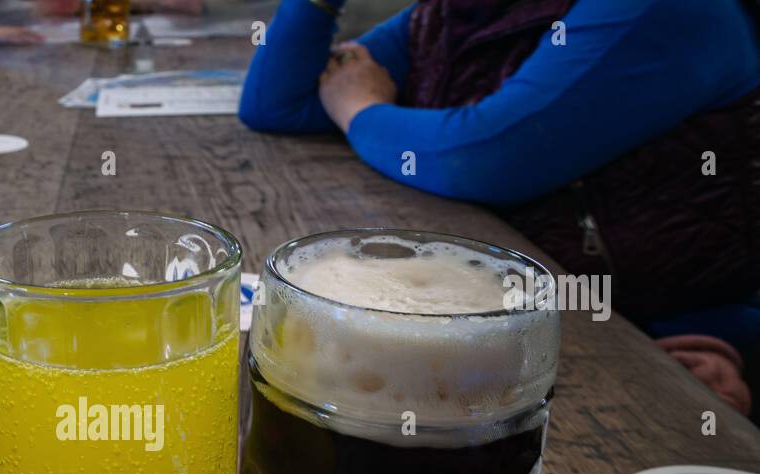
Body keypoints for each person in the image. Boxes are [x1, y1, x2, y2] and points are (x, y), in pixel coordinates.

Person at [239, 0, 760, 411]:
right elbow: (277, 105)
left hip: (657, 340)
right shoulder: (455, 14)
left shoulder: (659, 8)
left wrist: (359, 108)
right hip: (500, 323)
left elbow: (482, 158)